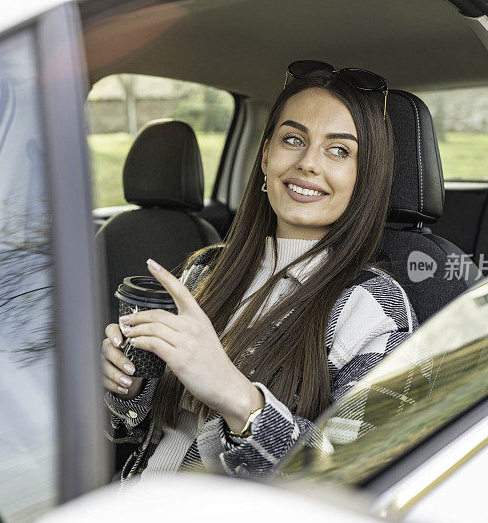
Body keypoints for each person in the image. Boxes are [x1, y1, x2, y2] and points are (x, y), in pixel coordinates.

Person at [101, 60, 417, 482]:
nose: (308, 163)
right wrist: (129, 384)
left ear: (365, 176)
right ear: (266, 153)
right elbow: (135, 432)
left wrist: (239, 400)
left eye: (339, 150)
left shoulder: (374, 309)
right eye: (293, 139)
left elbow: (352, 476)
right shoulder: (203, 270)